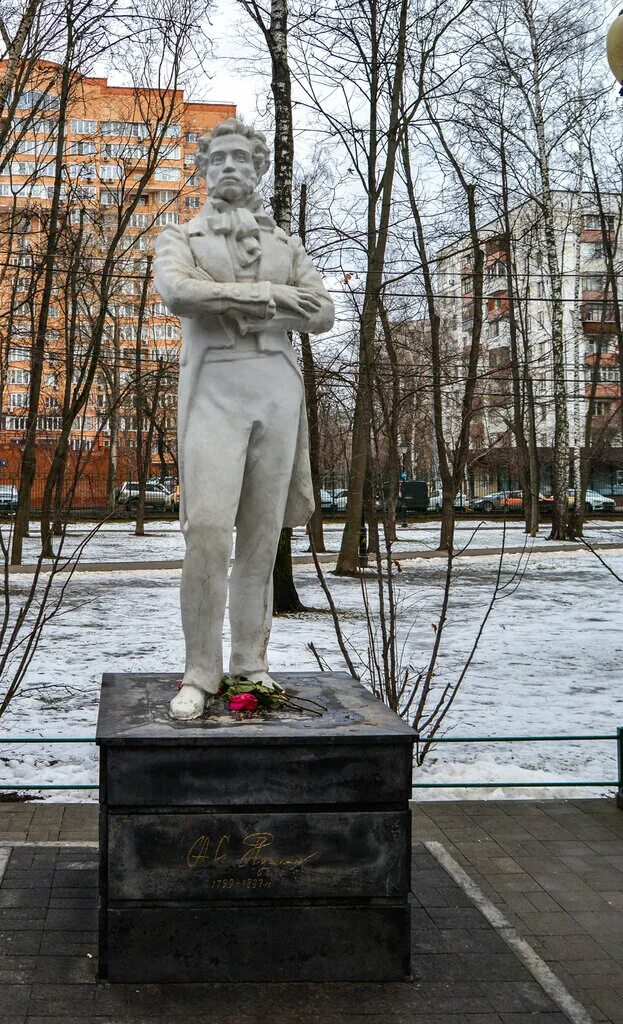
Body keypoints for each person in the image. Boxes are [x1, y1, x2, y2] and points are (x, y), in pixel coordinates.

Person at [154, 118, 335, 721]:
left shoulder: (285, 244)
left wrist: (255, 297)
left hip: (277, 391)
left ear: (258, 170)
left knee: (261, 538)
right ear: (204, 170)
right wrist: (269, 298)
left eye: (242, 158)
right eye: (219, 158)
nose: (231, 166)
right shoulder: (180, 235)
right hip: (216, 390)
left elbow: (324, 311)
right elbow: (179, 294)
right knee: (206, 531)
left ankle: (251, 665)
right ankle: (200, 671)